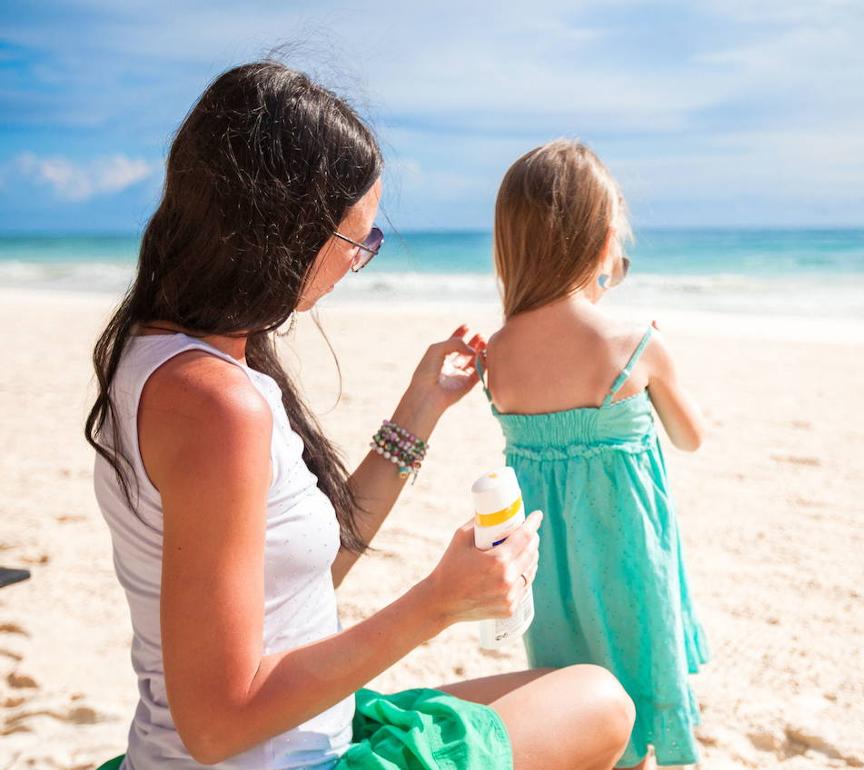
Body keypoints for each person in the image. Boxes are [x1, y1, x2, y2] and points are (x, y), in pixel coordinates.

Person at [85, 62, 634, 770]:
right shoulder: (217, 405)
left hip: (283, 736)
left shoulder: (164, 351)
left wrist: (419, 410)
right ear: (281, 232)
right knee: (601, 701)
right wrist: (438, 603)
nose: (354, 266)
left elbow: (302, 579)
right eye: (357, 244)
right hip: (276, 757)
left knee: (559, 694)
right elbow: (217, 725)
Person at [473, 140, 710, 769]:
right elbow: (691, 438)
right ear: (605, 239)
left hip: (548, 570)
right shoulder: (634, 344)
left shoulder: (496, 355)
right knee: (637, 673)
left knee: (566, 686)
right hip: (630, 560)